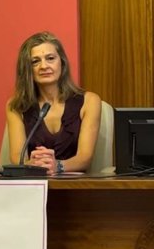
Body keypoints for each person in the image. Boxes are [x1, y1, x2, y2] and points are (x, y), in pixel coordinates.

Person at [6, 31, 102, 175]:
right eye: (35, 61)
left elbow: (85, 157)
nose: (44, 66)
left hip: (76, 188)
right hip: (34, 185)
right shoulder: (15, 106)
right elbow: (16, 158)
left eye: (50, 58)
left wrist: (57, 166)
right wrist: (31, 164)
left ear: (62, 63)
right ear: (27, 69)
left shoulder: (90, 101)